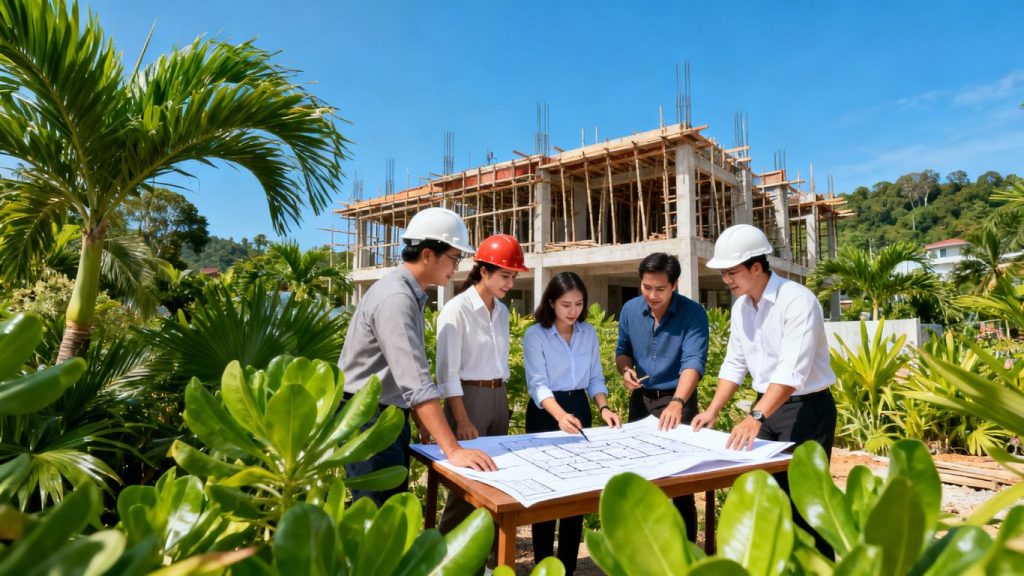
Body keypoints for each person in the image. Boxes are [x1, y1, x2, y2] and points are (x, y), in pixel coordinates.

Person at [692, 223, 837, 559]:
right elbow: (734, 364)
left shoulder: (798, 301)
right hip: (767, 408)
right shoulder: (742, 307)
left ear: (756, 267)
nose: (726, 280)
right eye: (724, 273)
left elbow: (792, 371)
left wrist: (756, 416)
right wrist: (712, 411)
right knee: (770, 500)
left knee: (806, 504)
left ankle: (821, 566)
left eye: (731, 272)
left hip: (806, 408)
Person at [339, 206, 496, 506]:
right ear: (427, 254)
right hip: (369, 419)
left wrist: (420, 420)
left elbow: (396, 372)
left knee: (390, 504)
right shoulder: (396, 299)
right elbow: (415, 380)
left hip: (382, 412)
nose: (457, 266)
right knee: (377, 513)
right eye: (453, 257)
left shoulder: (406, 293)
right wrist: (453, 450)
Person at [523, 272, 622, 574]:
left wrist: (604, 408)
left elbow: (595, 378)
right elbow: (538, 385)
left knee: (575, 493)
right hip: (545, 412)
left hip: (579, 407)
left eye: (579, 304)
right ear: (551, 302)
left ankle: (566, 566)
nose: (573, 311)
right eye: (566, 304)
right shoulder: (535, 335)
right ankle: (543, 565)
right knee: (546, 493)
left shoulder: (587, 333)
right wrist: (559, 416)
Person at [436, 234, 528, 536]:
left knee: (495, 484)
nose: (509, 284)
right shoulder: (456, 309)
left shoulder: (501, 311)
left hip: (498, 398)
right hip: (468, 400)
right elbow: (447, 373)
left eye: (513, 277)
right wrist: (461, 419)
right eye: (505, 276)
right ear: (483, 271)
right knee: (465, 490)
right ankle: (444, 560)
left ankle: (488, 562)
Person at [615, 252, 708, 543]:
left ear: (675, 284)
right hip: (640, 401)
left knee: (680, 485)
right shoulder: (630, 310)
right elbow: (622, 350)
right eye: (646, 287)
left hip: (679, 401)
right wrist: (626, 369)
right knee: (640, 479)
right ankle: (643, 549)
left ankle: (685, 556)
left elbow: (693, 362)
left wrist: (678, 403)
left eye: (660, 289)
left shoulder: (693, 314)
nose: (652, 295)